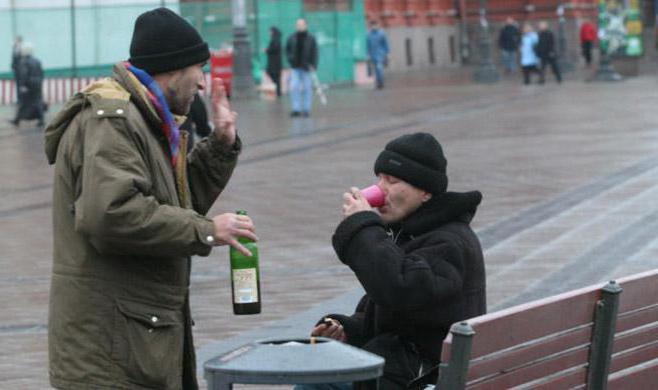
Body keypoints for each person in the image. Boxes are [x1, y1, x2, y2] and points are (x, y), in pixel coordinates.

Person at [44, 8, 257, 390]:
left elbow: (170, 200)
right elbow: (111, 214)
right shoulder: (113, 120)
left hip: (135, 340)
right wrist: (206, 230)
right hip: (112, 353)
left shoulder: (144, 117)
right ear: (174, 68)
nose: (204, 83)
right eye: (199, 68)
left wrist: (220, 146)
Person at [300, 133, 486, 389]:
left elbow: (400, 290)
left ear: (425, 192)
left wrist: (363, 227)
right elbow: (390, 312)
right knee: (319, 366)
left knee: (319, 380)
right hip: (402, 369)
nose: (380, 189)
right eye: (379, 178)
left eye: (392, 180)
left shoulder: (449, 242)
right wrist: (346, 329)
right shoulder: (411, 233)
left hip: (421, 377)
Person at [286, 18, 318, 117]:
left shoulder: (311, 38)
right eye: (298, 24)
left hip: (306, 67)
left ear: (306, 25)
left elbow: (315, 52)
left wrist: (313, 64)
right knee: (294, 87)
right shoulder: (292, 37)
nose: (299, 26)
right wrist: (290, 59)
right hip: (295, 67)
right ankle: (296, 109)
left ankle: (306, 109)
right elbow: (287, 50)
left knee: (307, 88)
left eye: (301, 24)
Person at [11, 42, 45, 127]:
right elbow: (41, 73)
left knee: (23, 102)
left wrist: (22, 85)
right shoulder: (37, 61)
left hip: (28, 85)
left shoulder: (24, 62)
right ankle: (41, 119)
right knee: (38, 101)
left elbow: (24, 74)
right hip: (37, 84)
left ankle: (17, 120)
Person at [366, 19, 389, 89]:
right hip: (372, 54)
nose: (374, 27)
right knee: (375, 69)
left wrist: (387, 53)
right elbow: (367, 45)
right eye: (372, 25)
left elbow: (385, 44)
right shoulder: (368, 35)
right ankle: (378, 82)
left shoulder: (381, 33)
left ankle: (380, 83)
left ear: (377, 25)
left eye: (375, 25)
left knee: (379, 68)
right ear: (370, 26)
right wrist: (367, 54)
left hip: (380, 54)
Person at [265, 26, 283, 97]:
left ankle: (278, 91)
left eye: (270, 31)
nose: (269, 33)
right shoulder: (276, 39)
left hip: (274, 62)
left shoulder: (275, 39)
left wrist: (268, 50)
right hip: (274, 62)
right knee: (275, 76)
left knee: (275, 76)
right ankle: (277, 91)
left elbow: (274, 48)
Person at [11, 36, 23, 104]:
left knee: (21, 84)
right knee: (18, 85)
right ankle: (19, 99)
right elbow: (13, 59)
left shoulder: (22, 49)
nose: (15, 42)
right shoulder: (14, 49)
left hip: (21, 70)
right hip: (16, 70)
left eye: (17, 41)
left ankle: (22, 99)